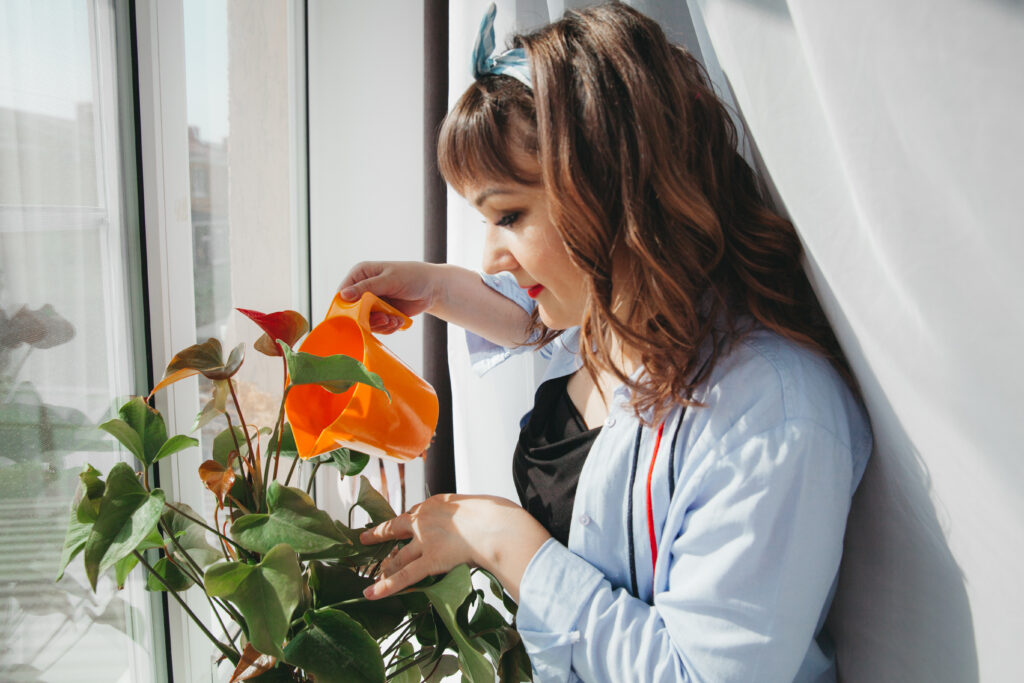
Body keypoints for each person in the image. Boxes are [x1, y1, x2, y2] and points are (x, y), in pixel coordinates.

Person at [342, 3, 872, 681]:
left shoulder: (771, 413)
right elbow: (532, 320)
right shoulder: (617, 324)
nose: (491, 254)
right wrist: (437, 290)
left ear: (607, 183)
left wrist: (502, 541)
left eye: (508, 215)